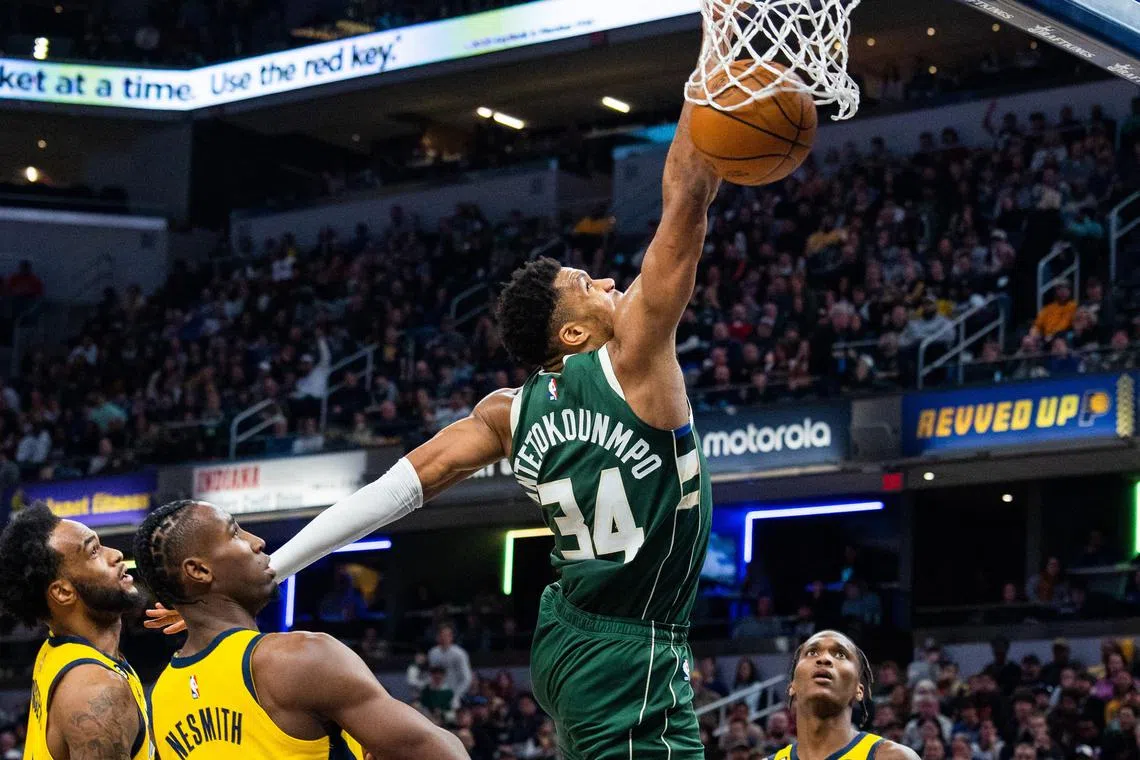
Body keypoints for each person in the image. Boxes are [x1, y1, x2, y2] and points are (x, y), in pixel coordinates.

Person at [149, 82, 723, 757]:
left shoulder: (508, 413)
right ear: (571, 334)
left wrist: (277, 565)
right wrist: (713, 76)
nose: (605, 282)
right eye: (586, 283)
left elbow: (395, 489)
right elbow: (686, 203)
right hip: (632, 644)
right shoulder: (636, 359)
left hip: (570, 633)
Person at [134, 500, 467, 760]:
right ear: (199, 570)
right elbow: (445, 754)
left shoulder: (162, 697)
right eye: (235, 533)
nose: (257, 542)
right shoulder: (300, 658)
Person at [0, 503, 152, 760]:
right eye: (94, 551)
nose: (116, 554)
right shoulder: (96, 691)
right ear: (63, 592)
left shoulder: (55, 650)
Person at [770, 630, 919, 760]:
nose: (824, 659)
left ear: (859, 690)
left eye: (840, 654)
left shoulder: (894, 757)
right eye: (812, 652)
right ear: (792, 686)